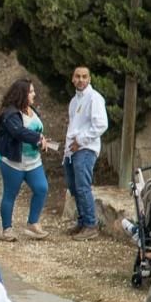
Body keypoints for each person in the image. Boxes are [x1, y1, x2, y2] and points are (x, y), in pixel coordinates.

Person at [0, 78, 50, 242]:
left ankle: (33, 223)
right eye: (31, 92)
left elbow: (35, 130)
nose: (34, 94)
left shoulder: (32, 110)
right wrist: (38, 137)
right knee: (10, 194)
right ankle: (7, 229)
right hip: (13, 162)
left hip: (33, 161)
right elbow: (19, 132)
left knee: (41, 188)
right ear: (22, 94)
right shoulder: (10, 114)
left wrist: (44, 140)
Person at [63, 66, 109, 241]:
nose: (81, 79)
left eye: (84, 76)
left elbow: (101, 125)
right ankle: (82, 221)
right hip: (72, 150)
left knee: (83, 187)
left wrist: (81, 140)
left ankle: (91, 225)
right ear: (73, 79)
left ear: (89, 79)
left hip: (86, 149)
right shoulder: (74, 101)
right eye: (78, 76)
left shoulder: (94, 98)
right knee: (74, 187)